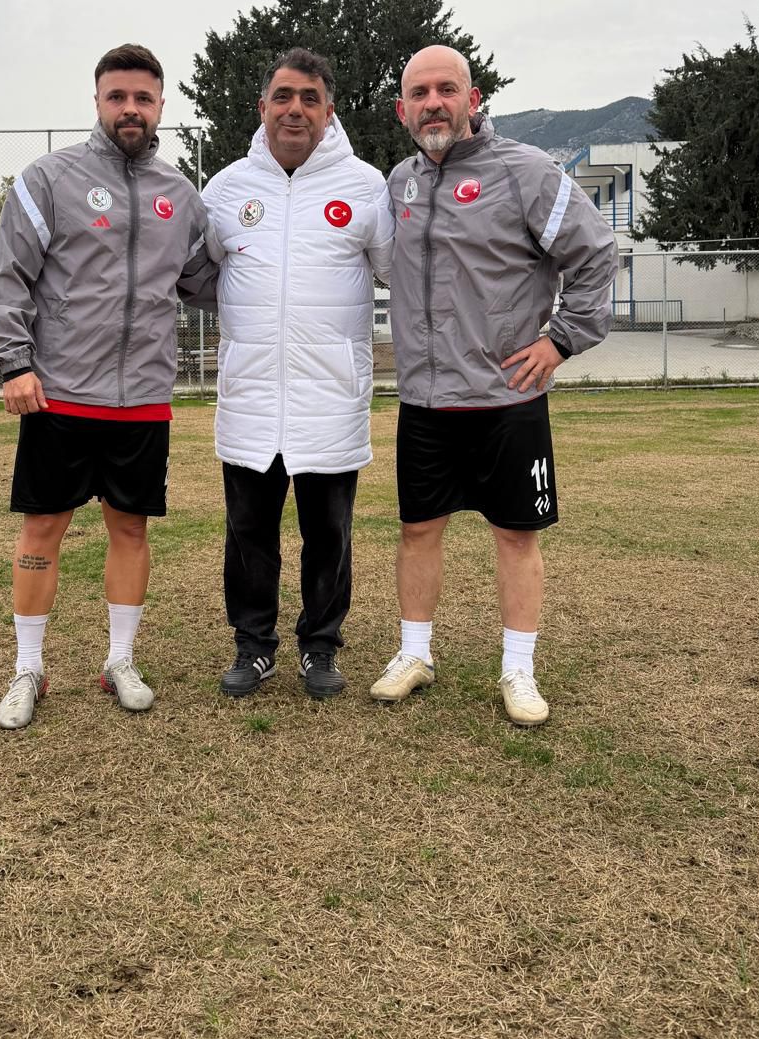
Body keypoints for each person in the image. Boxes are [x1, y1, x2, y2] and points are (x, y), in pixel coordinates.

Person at [371, 45, 617, 725]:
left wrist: (561, 339)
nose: (433, 103)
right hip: (425, 400)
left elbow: (596, 252)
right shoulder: (400, 182)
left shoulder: (525, 172)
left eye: (446, 89)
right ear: (401, 110)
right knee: (417, 529)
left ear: (472, 99)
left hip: (508, 398)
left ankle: (518, 669)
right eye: (419, 93)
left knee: (516, 535)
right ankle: (414, 654)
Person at [0, 43, 216, 730]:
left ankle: (120, 661)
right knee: (43, 527)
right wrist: (14, 363)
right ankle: (28, 667)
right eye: (118, 97)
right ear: (97, 102)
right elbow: (8, 277)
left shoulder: (181, 195)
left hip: (142, 397)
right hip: (58, 392)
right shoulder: (49, 180)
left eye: (143, 98)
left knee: (130, 528)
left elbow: (208, 281)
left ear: (161, 105)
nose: (130, 109)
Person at [201, 48, 394, 699]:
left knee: (329, 535)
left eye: (310, 99)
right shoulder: (226, 190)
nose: (295, 109)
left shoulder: (366, 187)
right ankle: (253, 646)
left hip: (330, 401)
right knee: (248, 535)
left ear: (329, 111)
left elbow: (401, 272)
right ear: (262, 107)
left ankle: (320, 646)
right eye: (283, 97)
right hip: (250, 399)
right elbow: (200, 272)